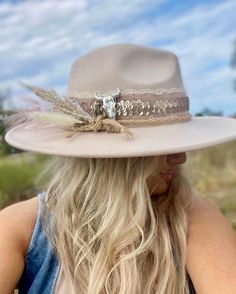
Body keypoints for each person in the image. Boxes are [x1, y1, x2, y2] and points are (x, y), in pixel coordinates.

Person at [1, 43, 236, 294]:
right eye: (160, 146)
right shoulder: (22, 228)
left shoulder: (191, 216)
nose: (181, 159)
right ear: (112, 159)